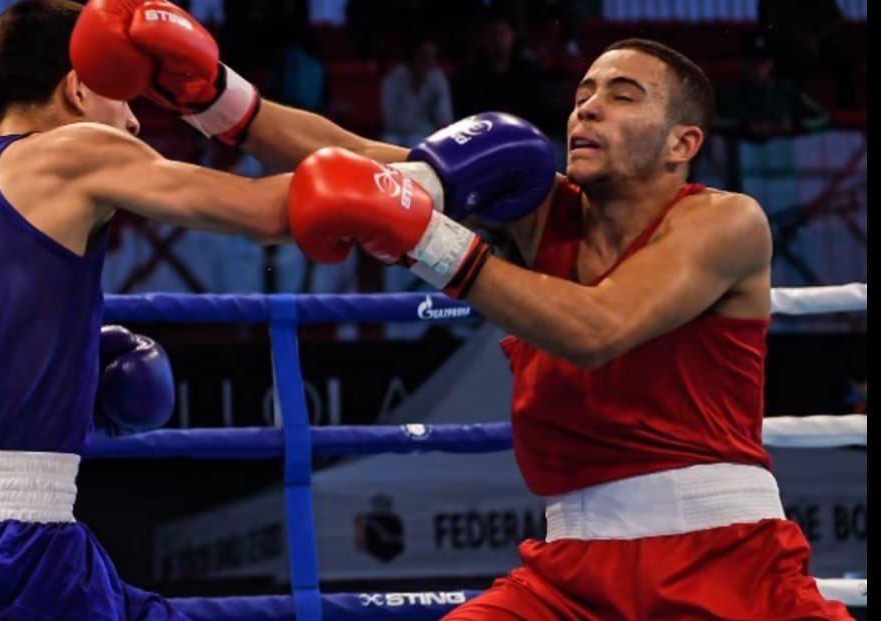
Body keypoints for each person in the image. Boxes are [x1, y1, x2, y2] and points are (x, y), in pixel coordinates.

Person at [0, 0, 543, 620]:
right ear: (76, 87)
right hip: (26, 558)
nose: (130, 125)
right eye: (122, 99)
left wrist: (41, 380)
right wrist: (429, 179)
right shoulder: (68, 153)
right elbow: (264, 210)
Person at [284, 40, 852, 619]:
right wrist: (222, 102)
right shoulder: (539, 216)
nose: (588, 108)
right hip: (570, 577)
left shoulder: (726, 220)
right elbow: (360, 162)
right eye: (582, 95)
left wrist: (430, 244)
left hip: (723, 565)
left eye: (621, 95)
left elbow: (597, 329)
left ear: (683, 143)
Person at [758, 0, 854, 108]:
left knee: (844, 62)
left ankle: (844, 112)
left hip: (819, 45)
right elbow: (769, 25)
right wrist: (801, 40)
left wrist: (816, 40)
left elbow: (836, 19)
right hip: (786, 48)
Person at [381, 37, 454, 147]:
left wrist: (433, 102)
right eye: (423, 56)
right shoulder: (393, 79)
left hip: (426, 134)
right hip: (396, 135)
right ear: (413, 57)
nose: (428, 62)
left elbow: (445, 119)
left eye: (432, 57)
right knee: (389, 142)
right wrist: (414, 89)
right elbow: (392, 120)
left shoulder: (438, 79)